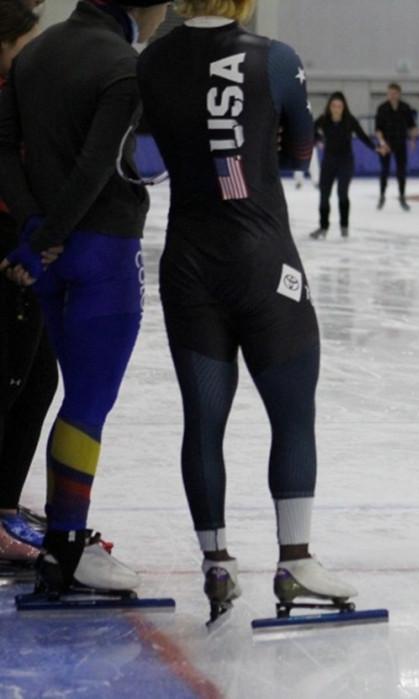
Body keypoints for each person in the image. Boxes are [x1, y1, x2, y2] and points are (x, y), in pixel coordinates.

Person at [138, 0, 354, 620]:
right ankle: (296, 558)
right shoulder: (275, 59)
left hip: (188, 262)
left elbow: (142, 143)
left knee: (203, 420)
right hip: (263, 262)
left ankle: (216, 561)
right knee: (292, 415)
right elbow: (300, 154)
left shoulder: (151, 61)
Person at [0, 0, 169, 594]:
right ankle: (68, 548)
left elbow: (3, 149)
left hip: (46, 256)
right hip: (102, 253)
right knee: (87, 404)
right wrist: (52, 233)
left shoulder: (35, 53)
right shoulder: (125, 64)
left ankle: (62, 541)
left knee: (68, 398)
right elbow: (114, 166)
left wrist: (32, 231)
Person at [0, 0, 58, 567]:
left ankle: (6, 505)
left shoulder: (20, 88)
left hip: (24, 243)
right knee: (16, 380)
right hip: (9, 248)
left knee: (37, 379)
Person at [309, 91, 376, 239]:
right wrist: (318, 138)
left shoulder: (349, 120)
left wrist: (375, 148)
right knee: (324, 195)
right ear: (330, 107)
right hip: (328, 162)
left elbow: (362, 136)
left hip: (345, 162)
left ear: (344, 107)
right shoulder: (324, 119)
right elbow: (310, 130)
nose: (336, 108)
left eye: (339, 106)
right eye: (334, 105)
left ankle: (344, 226)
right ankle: (323, 227)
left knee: (342, 194)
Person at [375, 82, 416, 211]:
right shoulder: (382, 108)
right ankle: (382, 196)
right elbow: (378, 129)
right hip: (385, 144)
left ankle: (402, 197)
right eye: (390, 93)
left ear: (399, 94)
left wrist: (413, 140)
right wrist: (382, 143)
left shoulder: (405, 108)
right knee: (384, 171)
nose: (392, 95)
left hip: (401, 143)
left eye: (394, 93)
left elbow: (412, 126)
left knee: (401, 172)